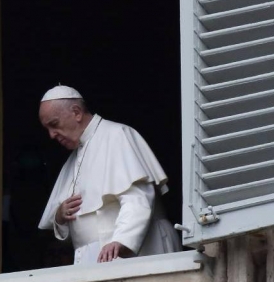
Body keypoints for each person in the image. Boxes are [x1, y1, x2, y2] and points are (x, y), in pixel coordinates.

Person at [37, 85, 181, 265]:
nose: (51, 135)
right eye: (47, 129)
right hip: (92, 257)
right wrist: (59, 215)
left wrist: (122, 240)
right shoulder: (73, 159)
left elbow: (138, 197)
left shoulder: (117, 135)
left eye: (54, 124)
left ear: (76, 113)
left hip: (131, 251)